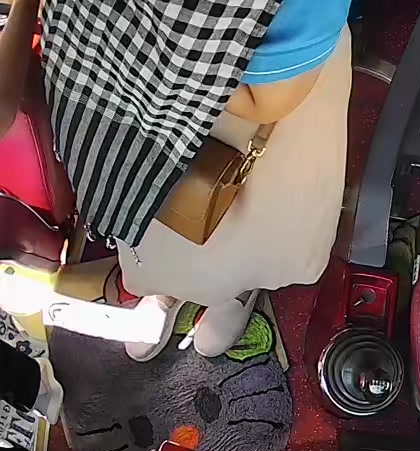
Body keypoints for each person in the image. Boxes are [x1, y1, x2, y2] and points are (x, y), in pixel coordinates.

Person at [0, 0, 352, 361]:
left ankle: (235, 289)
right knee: (151, 209)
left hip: (251, 93)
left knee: (250, 214)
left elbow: (266, 102)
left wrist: (150, 60)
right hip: (135, 83)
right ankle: (168, 284)